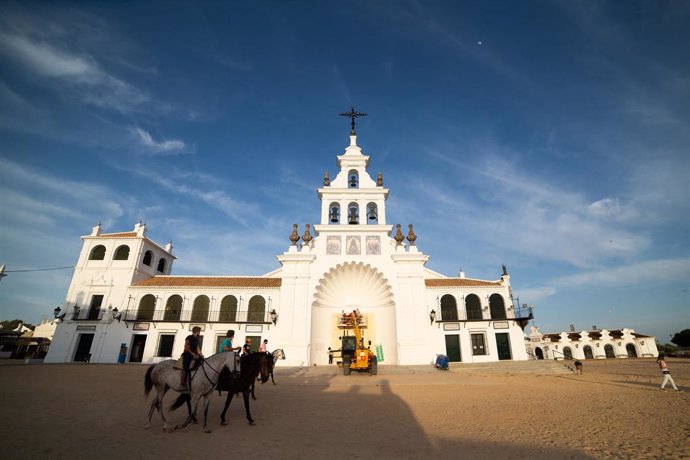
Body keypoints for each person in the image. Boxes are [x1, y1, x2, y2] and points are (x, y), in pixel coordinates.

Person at [181, 326, 204, 390]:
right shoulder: (189, 337)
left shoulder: (196, 339)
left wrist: (202, 356)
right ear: (197, 331)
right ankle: (182, 381)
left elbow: (198, 349)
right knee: (186, 366)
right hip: (187, 354)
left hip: (194, 355)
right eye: (199, 331)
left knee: (201, 363)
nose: (199, 333)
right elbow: (186, 346)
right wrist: (192, 353)